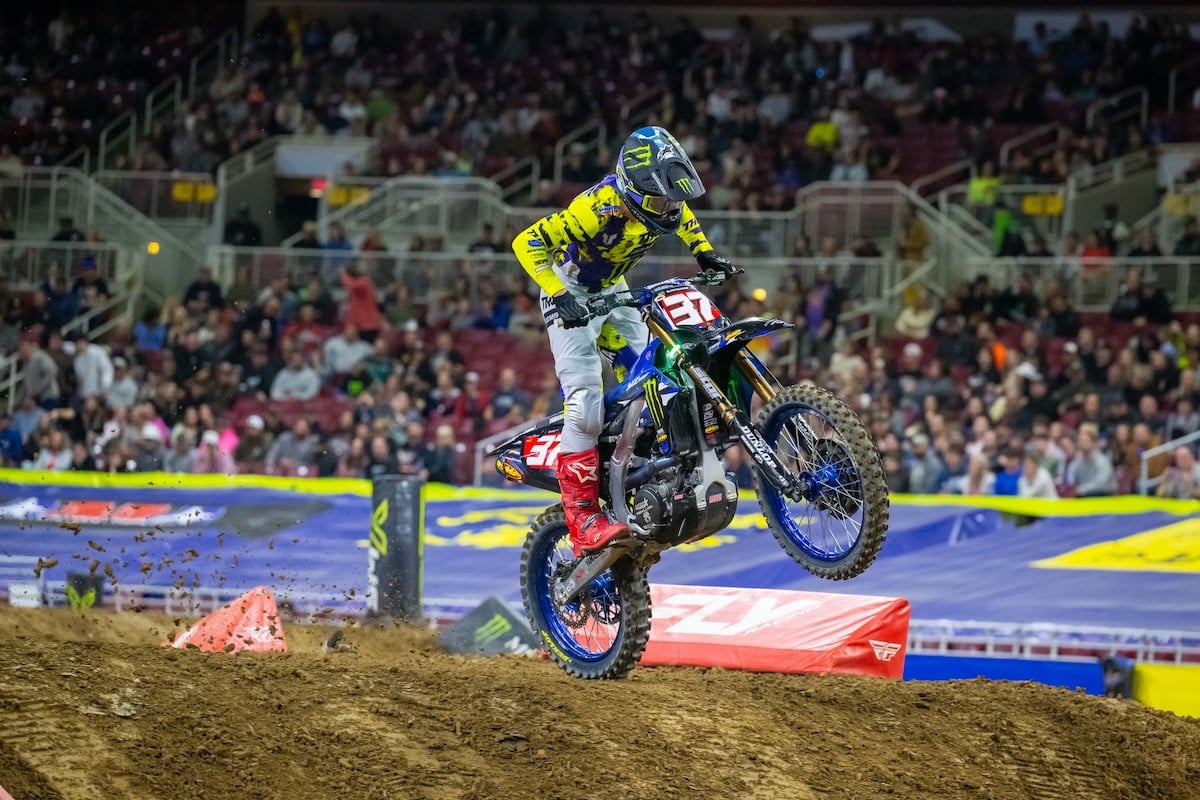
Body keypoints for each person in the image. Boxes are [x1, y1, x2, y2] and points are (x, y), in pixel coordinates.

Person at [511, 126, 734, 556]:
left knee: (653, 375)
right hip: (569, 291)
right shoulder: (594, 210)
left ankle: (649, 470)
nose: (669, 208)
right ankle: (582, 518)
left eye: (671, 200)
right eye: (660, 201)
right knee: (584, 404)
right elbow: (527, 241)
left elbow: (682, 211)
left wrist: (703, 251)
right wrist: (557, 293)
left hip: (613, 288)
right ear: (633, 190)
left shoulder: (662, 202)